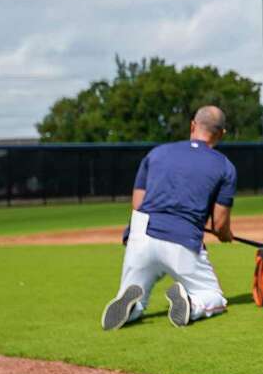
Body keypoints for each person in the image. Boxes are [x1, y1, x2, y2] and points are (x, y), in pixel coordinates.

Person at [100, 106, 235, 330]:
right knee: (214, 297)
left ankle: (132, 307)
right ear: (221, 134)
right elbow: (220, 224)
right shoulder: (224, 165)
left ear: (193, 125)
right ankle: (192, 305)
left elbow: (138, 205)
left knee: (138, 295)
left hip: (141, 235)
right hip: (182, 239)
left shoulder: (157, 153)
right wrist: (225, 235)